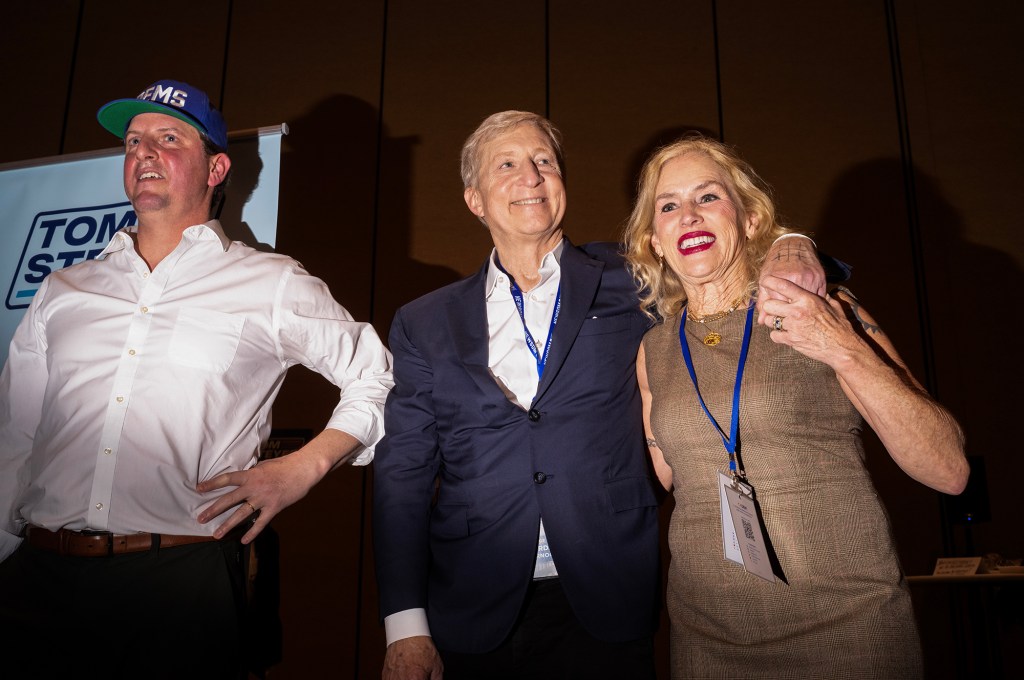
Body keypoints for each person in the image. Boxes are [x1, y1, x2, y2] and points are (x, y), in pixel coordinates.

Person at [372, 112, 830, 680]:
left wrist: (793, 241)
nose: (532, 176)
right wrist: (404, 623)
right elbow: (403, 474)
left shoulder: (632, 276)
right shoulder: (423, 322)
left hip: (606, 591)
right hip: (470, 601)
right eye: (507, 165)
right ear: (474, 199)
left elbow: (721, 251)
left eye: (544, 161)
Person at [0, 79, 394, 679]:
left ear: (217, 167)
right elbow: (14, 439)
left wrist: (298, 470)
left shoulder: (271, 282)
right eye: (134, 142)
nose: (144, 153)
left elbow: (376, 375)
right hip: (38, 581)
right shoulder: (63, 289)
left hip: (182, 588)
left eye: (168, 138)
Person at [622, 134, 968, 679]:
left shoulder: (824, 307)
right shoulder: (653, 351)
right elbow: (667, 478)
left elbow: (948, 469)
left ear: (749, 220)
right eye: (669, 206)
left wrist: (840, 344)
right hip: (707, 636)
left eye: (708, 197)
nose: (688, 215)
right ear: (655, 242)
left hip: (849, 627)